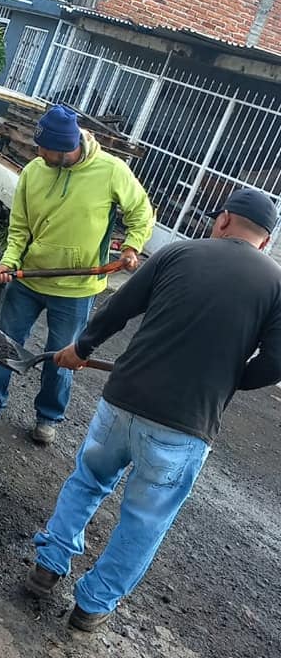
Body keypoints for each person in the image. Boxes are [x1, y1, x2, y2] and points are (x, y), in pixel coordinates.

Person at [26, 187, 281, 631]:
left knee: (87, 481)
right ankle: (90, 608)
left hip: (122, 401)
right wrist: (229, 380)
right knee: (144, 520)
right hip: (184, 427)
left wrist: (81, 347)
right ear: (267, 241)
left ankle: (47, 566)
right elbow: (277, 361)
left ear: (222, 221)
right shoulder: (276, 284)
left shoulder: (178, 254)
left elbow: (117, 308)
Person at [0, 104, 154, 445]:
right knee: (2, 342)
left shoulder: (111, 171)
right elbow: (18, 227)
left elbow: (142, 212)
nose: (40, 153)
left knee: (62, 357)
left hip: (77, 288)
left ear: (67, 148)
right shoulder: (34, 171)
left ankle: (47, 418)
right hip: (29, 277)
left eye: (46, 149)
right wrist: (9, 262)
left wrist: (132, 247)